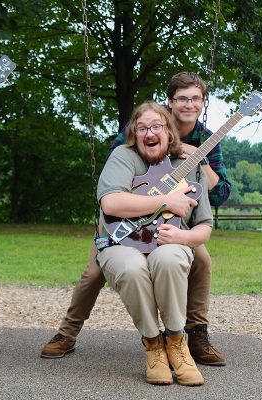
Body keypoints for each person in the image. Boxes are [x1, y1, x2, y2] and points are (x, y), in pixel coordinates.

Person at [41, 72, 230, 366]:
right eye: (182, 98)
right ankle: (67, 333)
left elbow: (219, 193)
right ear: (171, 102)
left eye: (195, 98)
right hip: (125, 220)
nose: (189, 104)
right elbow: (118, 162)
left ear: (203, 102)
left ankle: (195, 334)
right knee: (93, 273)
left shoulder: (207, 140)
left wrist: (197, 161)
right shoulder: (145, 124)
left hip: (173, 224)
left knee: (202, 261)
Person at [95, 101, 212, 385]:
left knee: (170, 258)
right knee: (133, 267)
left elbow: (204, 226)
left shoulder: (189, 166)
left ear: (169, 131)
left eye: (156, 126)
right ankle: (153, 345)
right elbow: (111, 202)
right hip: (121, 243)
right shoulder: (123, 156)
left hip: (170, 243)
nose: (150, 132)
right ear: (134, 133)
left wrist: (184, 237)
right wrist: (165, 201)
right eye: (142, 127)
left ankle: (176, 342)